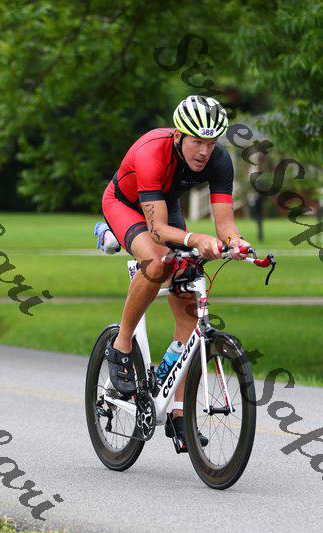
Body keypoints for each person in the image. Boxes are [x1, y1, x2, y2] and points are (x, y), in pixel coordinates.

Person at [101, 95, 251, 448]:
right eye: (197, 141)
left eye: (211, 143)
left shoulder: (219, 161)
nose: (204, 151)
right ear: (179, 136)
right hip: (125, 204)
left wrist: (236, 243)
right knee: (156, 261)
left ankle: (179, 412)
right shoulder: (152, 151)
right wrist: (195, 238)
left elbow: (226, 224)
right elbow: (157, 232)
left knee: (189, 293)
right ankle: (121, 345)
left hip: (164, 205)